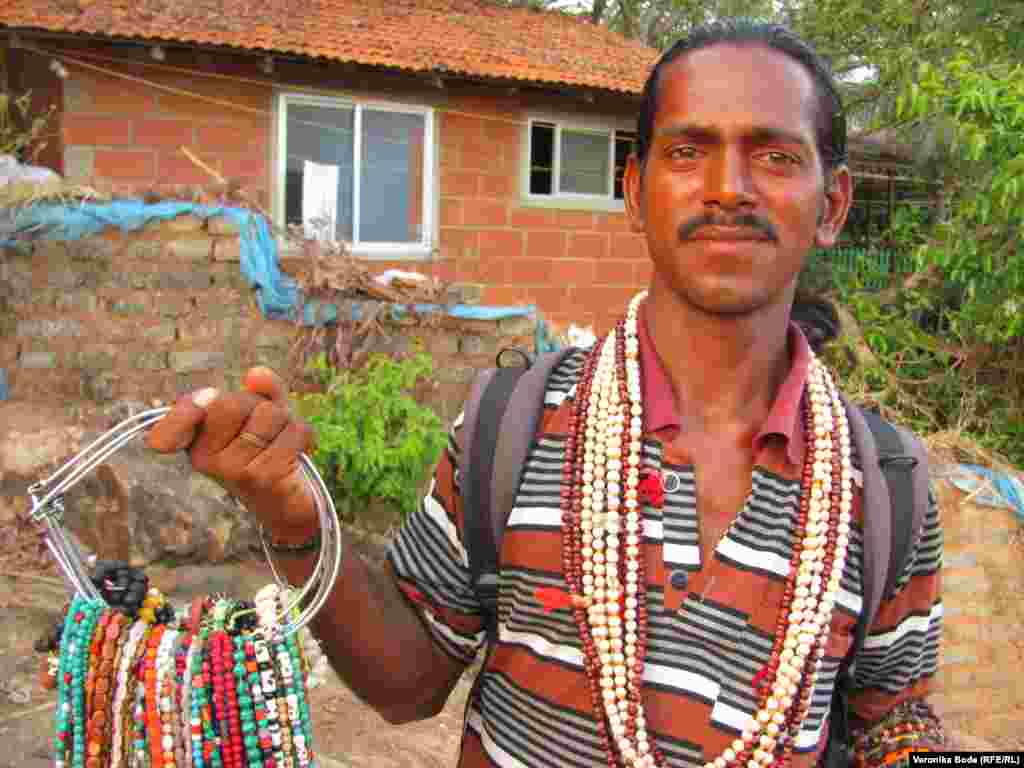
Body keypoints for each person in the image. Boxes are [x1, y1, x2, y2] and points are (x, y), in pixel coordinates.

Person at [147, 19, 945, 768]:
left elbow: (894, 722)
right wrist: (296, 521)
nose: (728, 188)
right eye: (687, 152)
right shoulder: (512, 424)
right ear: (635, 192)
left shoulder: (887, 486)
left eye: (774, 156)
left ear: (832, 205)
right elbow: (408, 685)